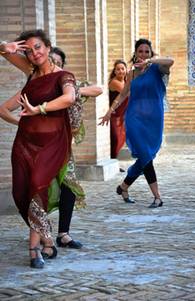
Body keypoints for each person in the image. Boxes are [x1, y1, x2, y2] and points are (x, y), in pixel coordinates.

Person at [0, 44, 103, 251]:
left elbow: (98, 89)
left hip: (62, 147)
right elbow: (5, 109)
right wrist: (22, 123)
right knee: (36, 188)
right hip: (37, 148)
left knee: (68, 186)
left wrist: (71, 89)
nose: (52, 65)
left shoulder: (67, 82)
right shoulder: (35, 89)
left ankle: (63, 234)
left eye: (57, 62)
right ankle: (42, 234)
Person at [0, 29, 77, 268]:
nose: (34, 53)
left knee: (36, 189)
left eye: (38, 47)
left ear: (48, 47)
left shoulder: (63, 76)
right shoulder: (31, 72)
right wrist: (8, 47)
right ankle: (47, 239)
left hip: (51, 146)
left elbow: (69, 98)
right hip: (24, 145)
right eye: (29, 50)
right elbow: (2, 50)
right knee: (22, 192)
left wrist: (39, 109)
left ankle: (34, 250)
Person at [99, 38, 174, 207]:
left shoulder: (158, 69)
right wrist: (109, 111)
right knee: (145, 156)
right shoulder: (131, 73)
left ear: (151, 53)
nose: (143, 54)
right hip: (134, 119)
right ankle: (157, 197)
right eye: (140, 51)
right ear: (135, 53)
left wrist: (151, 60)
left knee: (146, 155)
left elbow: (171, 61)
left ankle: (124, 187)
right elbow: (123, 94)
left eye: (147, 51)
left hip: (154, 120)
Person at [108, 59, 128, 159]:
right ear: (114, 71)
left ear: (126, 70)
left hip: (122, 115)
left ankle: (114, 160)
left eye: (122, 69)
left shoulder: (126, 81)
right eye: (118, 69)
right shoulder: (115, 82)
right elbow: (127, 92)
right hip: (114, 115)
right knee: (115, 138)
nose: (120, 71)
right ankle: (112, 159)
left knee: (121, 138)